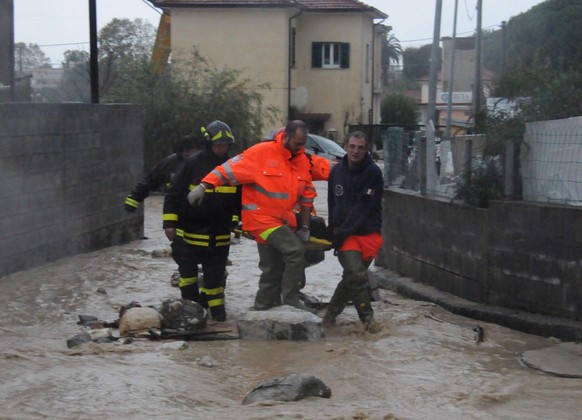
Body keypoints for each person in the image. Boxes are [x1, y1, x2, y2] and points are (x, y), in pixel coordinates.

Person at [189, 120, 316, 312]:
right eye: (298, 143)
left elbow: (308, 193)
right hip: (261, 221)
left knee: (272, 268)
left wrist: (305, 226)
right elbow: (227, 170)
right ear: (286, 136)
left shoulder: (301, 160)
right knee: (295, 251)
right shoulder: (260, 153)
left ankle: (263, 308)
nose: (301, 147)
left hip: (282, 221)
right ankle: (291, 300)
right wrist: (204, 186)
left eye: (303, 143)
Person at [163, 121, 240, 322]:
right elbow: (173, 194)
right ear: (208, 144)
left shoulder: (233, 167)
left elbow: (240, 200)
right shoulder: (192, 164)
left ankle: (218, 319)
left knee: (215, 282)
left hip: (219, 236)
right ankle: (190, 317)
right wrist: (169, 223)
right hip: (190, 235)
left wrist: (238, 221)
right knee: (188, 279)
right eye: (218, 145)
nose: (222, 149)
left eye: (225, 145)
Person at [323, 131, 384, 333]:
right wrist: (333, 230)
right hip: (344, 234)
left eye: (360, 147)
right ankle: (369, 322)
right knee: (356, 276)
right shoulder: (336, 172)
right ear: (345, 146)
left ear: (367, 149)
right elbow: (332, 203)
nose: (355, 151)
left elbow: (363, 208)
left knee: (350, 278)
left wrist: (342, 232)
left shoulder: (373, 173)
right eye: (352, 146)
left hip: (368, 233)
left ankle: (330, 315)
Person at [124, 134, 201, 212]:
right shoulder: (170, 163)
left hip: (202, 211)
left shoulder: (205, 163)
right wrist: (134, 198)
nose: (187, 153)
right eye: (184, 150)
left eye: (190, 150)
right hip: (176, 210)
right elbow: (151, 180)